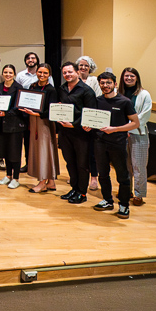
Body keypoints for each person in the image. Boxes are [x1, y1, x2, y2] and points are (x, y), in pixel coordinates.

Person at [86, 72, 140, 219]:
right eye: (102, 83)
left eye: (108, 83)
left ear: (115, 84)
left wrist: (114, 129)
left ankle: (123, 205)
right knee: (102, 174)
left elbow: (135, 123)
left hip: (118, 143)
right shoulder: (97, 100)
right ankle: (107, 200)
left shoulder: (124, 101)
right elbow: (92, 119)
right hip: (99, 142)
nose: (105, 86)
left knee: (122, 176)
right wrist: (88, 126)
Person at [56, 61, 98, 204]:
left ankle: (82, 193)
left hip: (81, 134)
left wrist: (73, 125)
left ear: (77, 72)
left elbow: (90, 113)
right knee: (70, 162)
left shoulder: (87, 91)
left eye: (70, 72)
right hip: (64, 133)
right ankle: (74, 188)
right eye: (64, 73)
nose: (67, 75)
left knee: (82, 164)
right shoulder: (61, 89)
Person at [22, 63, 60, 193]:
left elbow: (52, 110)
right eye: (40, 72)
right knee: (41, 149)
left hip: (44, 122)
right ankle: (51, 182)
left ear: (49, 75)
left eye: (45, 73)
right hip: (33, 120)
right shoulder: (33, 86)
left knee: (45, 150)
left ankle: (42, 182)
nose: (42, 75)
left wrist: (37, 113)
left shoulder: (51, 90)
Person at [121, 67, 153, 206]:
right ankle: (126, 190)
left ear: (137, 78)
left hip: (138, 134)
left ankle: (139, 194)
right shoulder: (119, 93)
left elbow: (144, 116)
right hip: (122, 135)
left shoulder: (144, 94)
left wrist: (128, 127)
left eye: (132, 76)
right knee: (125, 165)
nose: (129, 78)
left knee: (138, 166)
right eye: (126, 76)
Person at [0, 64, 27, 188]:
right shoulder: (0, 86)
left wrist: (6, 113)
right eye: (5, 72)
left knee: (15, 152)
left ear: (14, 74)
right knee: (6, 150)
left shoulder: (18, 87)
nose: (8, 75)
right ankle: (8, 176)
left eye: (10, 73)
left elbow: (19, 107)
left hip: (15, 124)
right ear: (2, 74)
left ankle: (16, 178)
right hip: (2, 123)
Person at [77, 55, 103, 192]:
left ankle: (94, 178)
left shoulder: (94, 80)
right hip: (76, 121)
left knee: (92, 151)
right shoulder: (73, 79)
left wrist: (90, 121)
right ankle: (79, 176)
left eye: (86, 65)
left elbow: (97, 100)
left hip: (91, 120)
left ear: (90, 67)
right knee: (79, 150)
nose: (83, 67)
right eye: (81, 65)